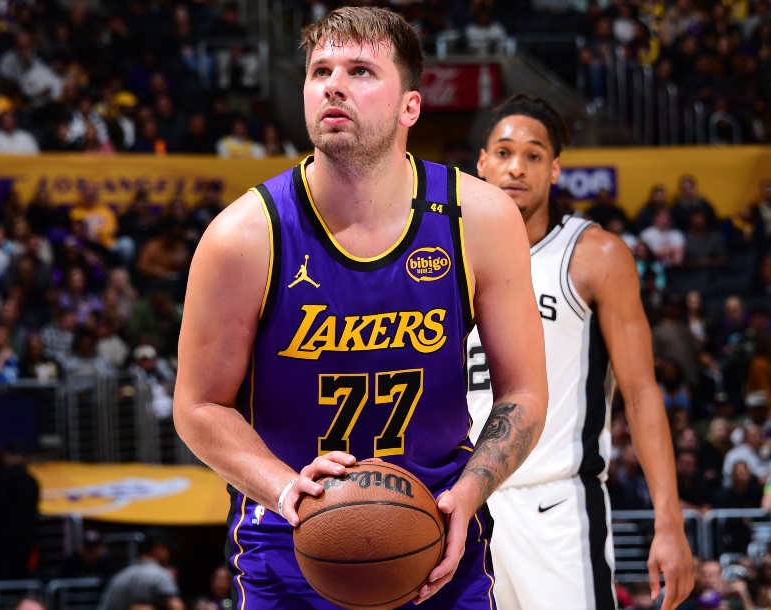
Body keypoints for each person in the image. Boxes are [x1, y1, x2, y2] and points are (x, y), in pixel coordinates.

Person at [173, 7, 548, 608]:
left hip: (439, 540)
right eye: (320, 70)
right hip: (288, 542)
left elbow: (523, 393)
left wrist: (470, 493)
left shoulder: (478, 219)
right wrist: (284, 487)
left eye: (361, 70)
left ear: (410, 107)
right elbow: (197, 405)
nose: (334, 84)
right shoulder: (242, 237)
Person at [467, 93, 694, 609]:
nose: (515, 167)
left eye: (533, 155)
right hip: (463, 509)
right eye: (503, 153)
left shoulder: (596, 255)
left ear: (554, 170)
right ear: (481, 163)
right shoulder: (442, 258)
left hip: (558, 508)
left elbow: (639, 393)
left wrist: (669, 521)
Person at [0, 442, 40, 581]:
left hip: (3, 541)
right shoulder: (32, 481)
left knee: (1, 579)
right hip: (25, 540)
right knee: (20, 579)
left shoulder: (3, 475)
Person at [96, 531, 183, 610]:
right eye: (168, 550)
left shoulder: (120, 576)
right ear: (158, 549)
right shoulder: (161, 575)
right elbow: (175, 606)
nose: (169, 555)